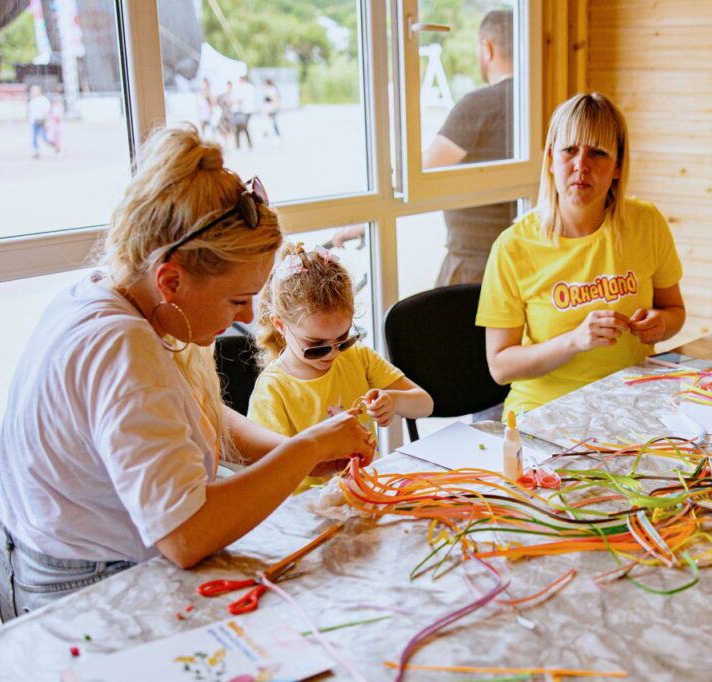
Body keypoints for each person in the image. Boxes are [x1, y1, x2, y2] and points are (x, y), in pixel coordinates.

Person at [0, 126, 375, 622]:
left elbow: (186, 414)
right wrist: (307, 448)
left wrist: (292, 454)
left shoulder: (110, 293)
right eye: (237, 299)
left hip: (46, 556)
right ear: (170, 280)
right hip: (77, 588)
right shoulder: (121, 347)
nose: (246, 315)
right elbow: (186, 534)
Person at [476, 92, 687, 416]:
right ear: (550, 159)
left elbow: (674, 312)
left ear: (617, 166)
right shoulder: (513, 247)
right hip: (545, 413)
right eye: (569, 150)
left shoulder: (646, 223)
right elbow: (501, 366)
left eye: (598, 152)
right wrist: (575, 340)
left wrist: (662, 324)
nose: (581, 165)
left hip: (631, 403)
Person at [329, 8, 516, 287]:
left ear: (487, 48)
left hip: (475, 267)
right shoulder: (536, 102)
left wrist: (363, 218)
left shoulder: (481, 105)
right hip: (518, 260)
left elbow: (418, 174)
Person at [249, 243, 433, 493]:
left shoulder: (357, 357)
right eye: (316, 345)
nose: (333, 353)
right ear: (281, 325)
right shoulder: (274, 389)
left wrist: (393, 400)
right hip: (307, 508)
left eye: (343, 339)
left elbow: (425, 404)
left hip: (367, 491)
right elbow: (270, 470)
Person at [27, 85, 58, 158]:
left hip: (42, 121)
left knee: (45, 138)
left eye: (35, 90)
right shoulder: (32, 101)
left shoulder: (44, 100)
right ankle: (36, 151)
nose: (33, 92)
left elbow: (47, 112)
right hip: (34, 122)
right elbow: (31, 112)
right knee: (34, 137)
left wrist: (47, 121)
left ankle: (55, 146)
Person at [232, 75, 257, 150]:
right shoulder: (251, 87)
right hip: (249, 110)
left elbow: (240, 99)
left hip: (243, 110)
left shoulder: (243, 87)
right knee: (242, 127)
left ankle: (240, 145)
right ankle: (244, 144)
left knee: (241, 127)